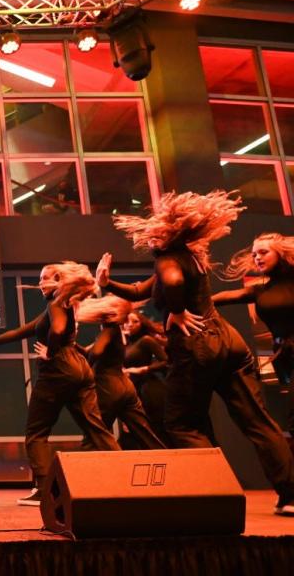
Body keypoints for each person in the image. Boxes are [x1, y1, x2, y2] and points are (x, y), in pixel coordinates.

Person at [97, 191, 294, 516]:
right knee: (256, 422)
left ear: (168, 234)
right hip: (229, 344)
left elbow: (172, 282)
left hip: (197, 348)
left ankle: (218, 495)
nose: (148, 238)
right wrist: (107, 282)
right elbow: (138, 291)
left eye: (154, 233)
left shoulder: (169, 260)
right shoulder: (190, 256)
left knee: (181, 423)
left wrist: (175, 311)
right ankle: (289, 495)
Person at [0, 262, 120, 506]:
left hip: (58, 370)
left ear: (58, 279)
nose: (40, 283)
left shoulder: (56, 304)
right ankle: (124, 474)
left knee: (36, 433)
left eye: (44, 278)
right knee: (96, 428)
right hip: (79, 369)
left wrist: (50, 351)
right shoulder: (63, 305)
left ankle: (44, 490)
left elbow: (58, 330)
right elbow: (24, 330)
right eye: (38, 279)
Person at [217, 232, 294, 455]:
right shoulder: (260, 290)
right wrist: (184, 307)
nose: (257, 257)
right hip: (284, 359)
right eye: (254, 254)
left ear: (281, 253)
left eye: (263, 252)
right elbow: (225, 297)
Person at [73, 295, 165, 450]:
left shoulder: (109, 330)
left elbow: (95, 353)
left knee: (93, 436)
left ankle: (76, 473)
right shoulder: (115, 331)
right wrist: (71, 343)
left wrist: (86, 371)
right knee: (146, 436)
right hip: (126, 387)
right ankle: (171, 467)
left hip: (109, 388)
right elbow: (89, 351)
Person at [122, 311, 172, 446]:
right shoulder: (124, 344)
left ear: (141, 324)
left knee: (155, 429)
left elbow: (166, 361)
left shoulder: (146, 340)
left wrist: (144, 369)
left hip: (149, 388)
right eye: (127, 321)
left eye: (135, 322)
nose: (130, 325)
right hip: (133, 388)